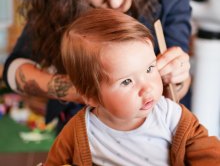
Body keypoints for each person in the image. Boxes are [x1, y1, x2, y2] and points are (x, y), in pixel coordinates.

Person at [3, 0, 191, 133]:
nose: (115, 1)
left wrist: (178, 77)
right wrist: (80, 91)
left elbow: (180, 72)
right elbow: (14, 69)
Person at [45, 9, 220, 166]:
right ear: (91, 96)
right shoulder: (80, 131)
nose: (147, 88)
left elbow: (205, 150)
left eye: (150, 69)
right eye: (127, 81)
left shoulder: (170, 116)